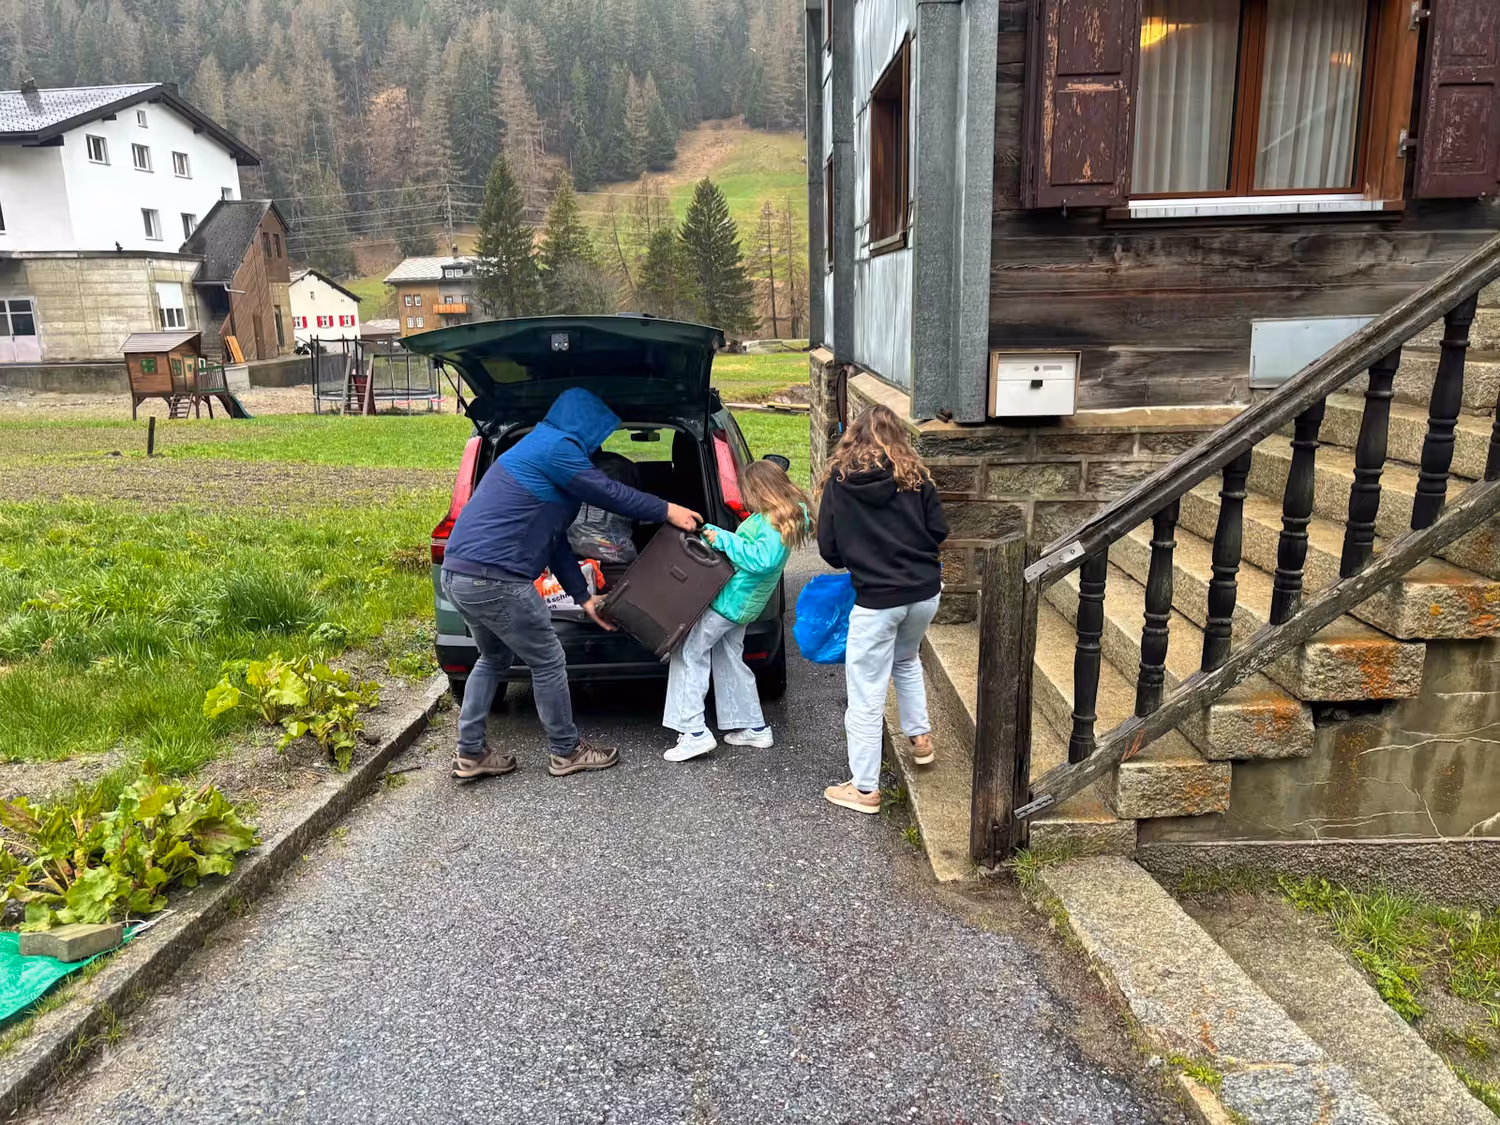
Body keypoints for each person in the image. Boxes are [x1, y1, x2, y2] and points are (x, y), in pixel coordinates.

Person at [442, 387, 700, 781]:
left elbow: (555, 541)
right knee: (548, 659)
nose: (600, 444)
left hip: (459, 574)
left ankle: (471, 753)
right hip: (497, 579)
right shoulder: (557, 448)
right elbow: (609, 492)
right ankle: (566, 751)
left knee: (492, 658)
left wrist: (584, 599)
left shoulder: (537, 447)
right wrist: (668, 509)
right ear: (585, 423)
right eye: (600, 432)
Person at [815, 404, 948, 814]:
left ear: (853, 437)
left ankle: (865, 788)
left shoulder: (839, 483)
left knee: (866, 693)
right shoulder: (917, 477)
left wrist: (864, 556)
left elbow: (830, 551)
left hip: (876, 601)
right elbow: (940, 531)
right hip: (925, 592)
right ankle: (920, 738)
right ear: (898, 437)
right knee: (906, 660)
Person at [662, 460, 812, 762]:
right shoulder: (782, 516)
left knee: (690, 653)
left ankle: (693, 732)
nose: (745, 498)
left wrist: (726, 539)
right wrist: (721, 535)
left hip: (731, 602)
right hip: (743, 604)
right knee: (729, 656)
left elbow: (762, 560)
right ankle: (753, 726)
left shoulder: (772, 522)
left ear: (760, 490)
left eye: (747, 491)